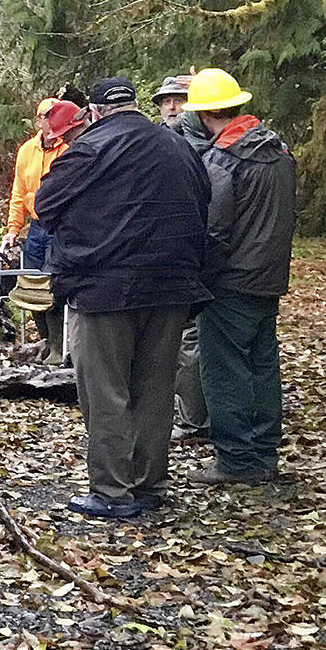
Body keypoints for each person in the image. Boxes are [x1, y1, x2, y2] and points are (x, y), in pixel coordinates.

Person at [35, 77, 211, 519]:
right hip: (171, 287)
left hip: (104, 289)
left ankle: (112, 491)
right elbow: (203, 200)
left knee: (106, 390)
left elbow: (46, 204)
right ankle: (150, 482)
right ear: (136, 106)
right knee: (154, 389)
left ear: (93, 112)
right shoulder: (180, 148)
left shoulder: (89, 150)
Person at [181, 68, 297, 487]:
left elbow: (214, 231)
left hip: (230, 283)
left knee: (225, 371)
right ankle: (264, 453)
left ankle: (234, 460)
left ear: (205, 114)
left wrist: (199, 281)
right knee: (263, 367)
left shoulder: (222, 160)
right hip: (269, 279)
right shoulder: (279, 151)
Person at [0, 97, 72, 363]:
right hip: (36, 227)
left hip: (60, 226)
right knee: (31, 285)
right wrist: (12, 229)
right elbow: (19, 192)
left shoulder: (69, 148)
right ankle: (45, 341)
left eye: (53, 117)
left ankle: (57, 348)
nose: (48, 122)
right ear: (38, 120)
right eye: (44, 116)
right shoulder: (26, 150)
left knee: (52, 285)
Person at [163, 85, 213, 446]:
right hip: (171, 257)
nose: (171, 107)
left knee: (190, 341)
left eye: (178, 101)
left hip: (194, 256)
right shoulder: (160, 142)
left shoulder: (202, 148)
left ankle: (196, 419)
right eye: (165, 102)